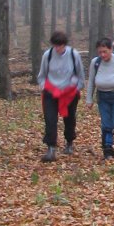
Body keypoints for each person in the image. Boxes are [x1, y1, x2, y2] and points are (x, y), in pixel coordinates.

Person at [37, 30, 85, 162]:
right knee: (50, 119)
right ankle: (51, 148)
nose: (57, 48)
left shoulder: (73, 55)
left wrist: (77, 88)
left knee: (69, 119)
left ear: (65, 45)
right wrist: (43, 86)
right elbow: (42, 75)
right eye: (55, 45)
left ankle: (69, 142)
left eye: (60, 46)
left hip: (69, 92)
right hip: (51, 91)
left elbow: (80, 75)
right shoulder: (48, 55)